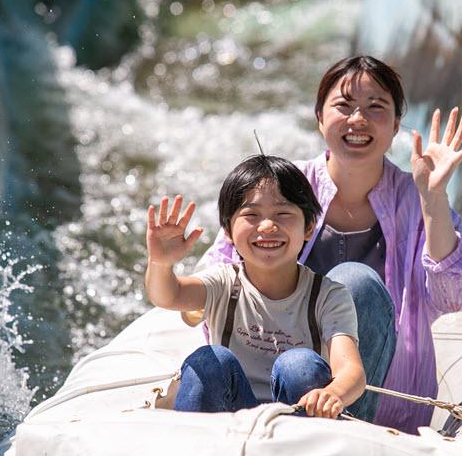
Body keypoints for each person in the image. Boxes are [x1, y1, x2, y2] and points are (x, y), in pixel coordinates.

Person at [199, 56, 462, 433]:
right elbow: (216, 277)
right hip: (272, 376)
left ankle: (343, 426)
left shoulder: (417, 196)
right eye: (344, 106)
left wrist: (433, 198)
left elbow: (457, 296)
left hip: (375, 405)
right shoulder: (280, 188)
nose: (357, 119)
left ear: (397, 124)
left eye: (375, 108)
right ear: (319, 117)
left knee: (355, 281)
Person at [145, 155, 366, 419]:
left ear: (309, 227)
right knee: (209, 360)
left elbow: (350, 370)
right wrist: (160, 263)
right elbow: (169, 296)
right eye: (251, 214)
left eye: (283, 213)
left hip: (298, 425)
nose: (268, 226)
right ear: (227, 231)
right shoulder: (224, 282)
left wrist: (334, 394)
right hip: (229, 419)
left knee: (299, 365)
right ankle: (196, 445)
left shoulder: (329, 296)